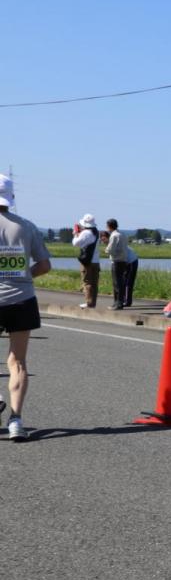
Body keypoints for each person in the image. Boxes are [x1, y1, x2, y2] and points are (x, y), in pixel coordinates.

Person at [0, 174, 52, 441]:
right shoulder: (28, 227)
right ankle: (16, 421)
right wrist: (23, 276)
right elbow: (44, 265)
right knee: (17, 361)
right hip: (21, 298)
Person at [72, 213, 101, 309]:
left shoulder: (85, 233)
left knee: (87, 282)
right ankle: (93, 303)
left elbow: (76, 243)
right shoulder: (96, 232)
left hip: (87, 261)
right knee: (94, 283)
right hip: (96, 261)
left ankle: (89, 303)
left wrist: (76, 234)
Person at [104, 219, 129, 311]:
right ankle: (118, 302)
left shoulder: (114, 236)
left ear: (109, 226)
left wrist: (105, 249)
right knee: (120, 282)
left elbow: (110, 249)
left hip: (116, 261)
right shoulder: (122, 234)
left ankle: (118, 303)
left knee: (117, 283)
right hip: (123, 260)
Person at [122, 241, 139, 307]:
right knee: (123, 281)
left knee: (128, 282)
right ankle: (123, 300)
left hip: (132, 261)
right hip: (127, 261)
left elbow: (124, 259)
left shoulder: (119, 246)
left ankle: (127, 301)